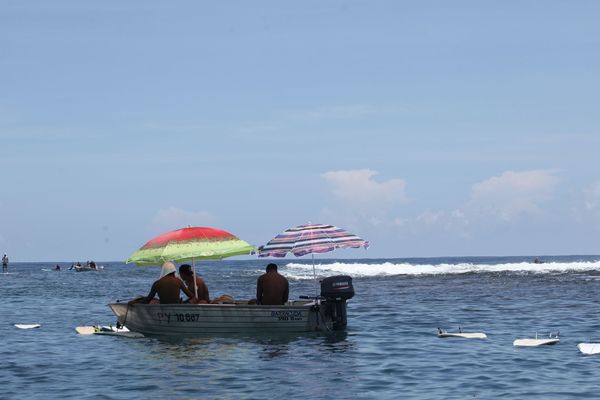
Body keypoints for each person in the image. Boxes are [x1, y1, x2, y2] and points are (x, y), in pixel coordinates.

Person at [130, 261, 196, 305]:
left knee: (153, 300)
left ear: (164, 270)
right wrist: (185, 302)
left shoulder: (157, 283)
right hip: (175, 307)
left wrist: (135, 302)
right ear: (173, 271)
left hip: (163, 308)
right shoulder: (178, 281)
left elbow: (147, 300)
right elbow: (192, 296)